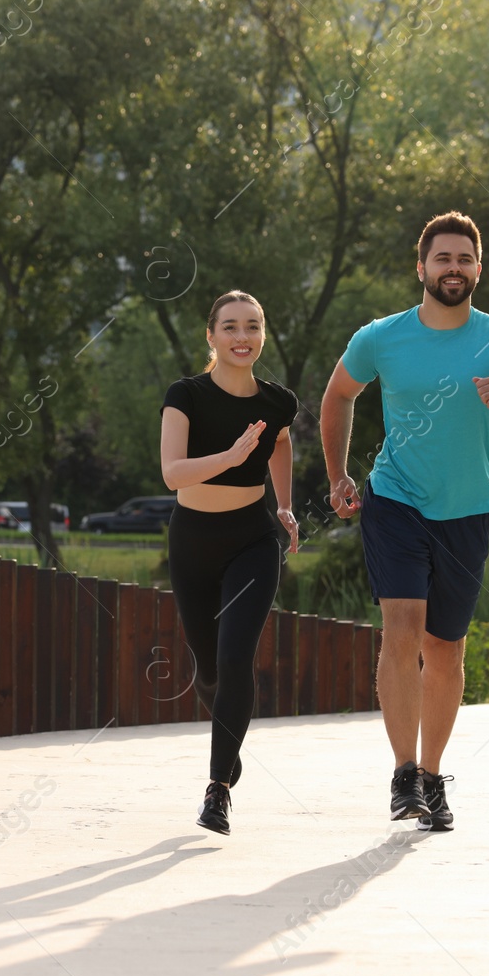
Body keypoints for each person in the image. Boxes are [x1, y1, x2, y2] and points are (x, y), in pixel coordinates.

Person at [320, 211, 489, 831]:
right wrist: (339, 475)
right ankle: (403, 773)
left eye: (464, 259)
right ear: (421, 267)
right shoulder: (381, 337)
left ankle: (432, 774)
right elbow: (338, 394)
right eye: (442, 258)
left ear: (478, 269)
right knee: (401, 626)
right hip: (394, 500)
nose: (454, 268)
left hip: (466, 512)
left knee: (445, 650)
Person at [159, 290, 300, 835]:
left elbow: (283, 443)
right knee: (211, 670)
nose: (244, 337)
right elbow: (172, 473)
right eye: (232, 327)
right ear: (212, 335)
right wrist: (232, 458)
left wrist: (283, 505)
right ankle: (229, 731)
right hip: (192, 540)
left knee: (236, 657)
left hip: (252, 540)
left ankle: (217, 789)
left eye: (254, 327)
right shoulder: (185, 394)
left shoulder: (276, 401)